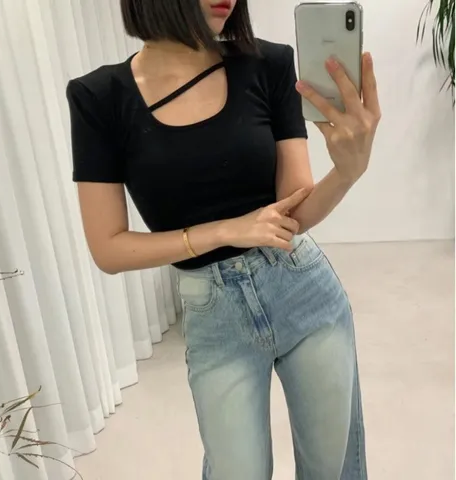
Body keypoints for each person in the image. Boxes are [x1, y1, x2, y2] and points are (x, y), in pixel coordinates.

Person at [66, 0, 381, 478]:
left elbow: (292, 213)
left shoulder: (268, 63)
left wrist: (347, 172)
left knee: (331, 469)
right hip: (215, 316)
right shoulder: (98, 97)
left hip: (303, 289)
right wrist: (222, 231)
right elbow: (108, 248)